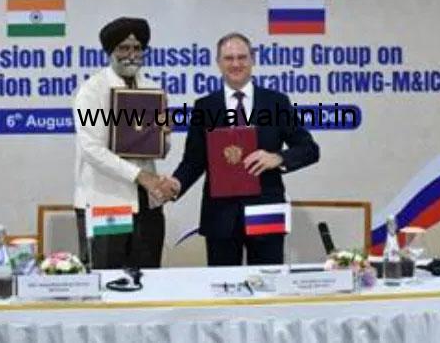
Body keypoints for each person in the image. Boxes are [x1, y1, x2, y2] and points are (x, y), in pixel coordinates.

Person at [162, 32, 320, 266]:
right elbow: (194, 160)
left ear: (252, 59)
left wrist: (278, 157)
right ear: (218, 63)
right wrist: (176, 183)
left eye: (242, 57)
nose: (236, 64)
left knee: (268, 282)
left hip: (265, 210)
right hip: (220, 216)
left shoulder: (275, 102)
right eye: (229, 58)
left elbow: (309, 149)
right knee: (222, 284)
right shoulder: (205, 106)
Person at [72, 17, 170, 269]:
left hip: (147, 204)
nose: (131, 55)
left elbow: (159, 150)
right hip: (106, 202)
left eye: (137, 48)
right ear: (110, 52)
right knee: (107, 277)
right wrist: (140, 176)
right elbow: (92, 149)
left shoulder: (153, 89)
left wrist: (164, 137)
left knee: (148, 278)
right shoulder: (92, 90)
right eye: (124, 48)